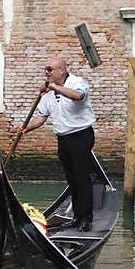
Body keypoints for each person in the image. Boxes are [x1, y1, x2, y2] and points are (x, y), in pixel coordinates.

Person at [15, 55, 95, 232]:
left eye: (50, 69)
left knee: (82, 177)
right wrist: (27, 127)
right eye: (46, 69)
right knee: (72, 179)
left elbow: (78, 96)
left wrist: (53, 87)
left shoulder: (77, 82)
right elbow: (42, 116)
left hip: (80, 135)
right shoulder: (48, 93)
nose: (46, 72)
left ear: (62, 70)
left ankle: (86, 218)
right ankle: (77, 216)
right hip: (63, 138)